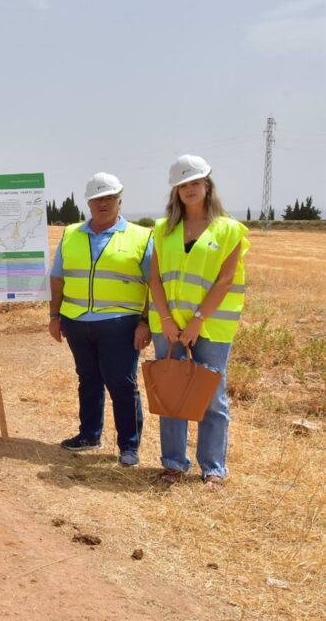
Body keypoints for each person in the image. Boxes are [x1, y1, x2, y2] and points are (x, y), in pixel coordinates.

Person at [147, 154, 248, 490]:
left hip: (212, 327)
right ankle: (173, 465)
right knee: (171, 392)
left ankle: (214, 468)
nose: (189, 189)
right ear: (175, 192)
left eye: (194, 182)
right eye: (182, 185)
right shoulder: (163, 230)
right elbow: (155, 279)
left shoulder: (230, 229)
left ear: (207, 185)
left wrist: (197, 322)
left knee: (212, 397)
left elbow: (225, 281)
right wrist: (166, 320)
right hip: (169, 326)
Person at [48, 172, 153, 467]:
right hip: (76, 320)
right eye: (96, 198)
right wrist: (55, 316)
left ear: (119, 200)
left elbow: (155, 286)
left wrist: (146, 322)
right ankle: (89, 434)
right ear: (88, 202)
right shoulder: (71, 234)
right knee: (88, 379)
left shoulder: (141, 237)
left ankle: (129, 446)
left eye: (108, 197)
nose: (102, 203)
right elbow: (58, 278)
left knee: (122, 383)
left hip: (120, 323)